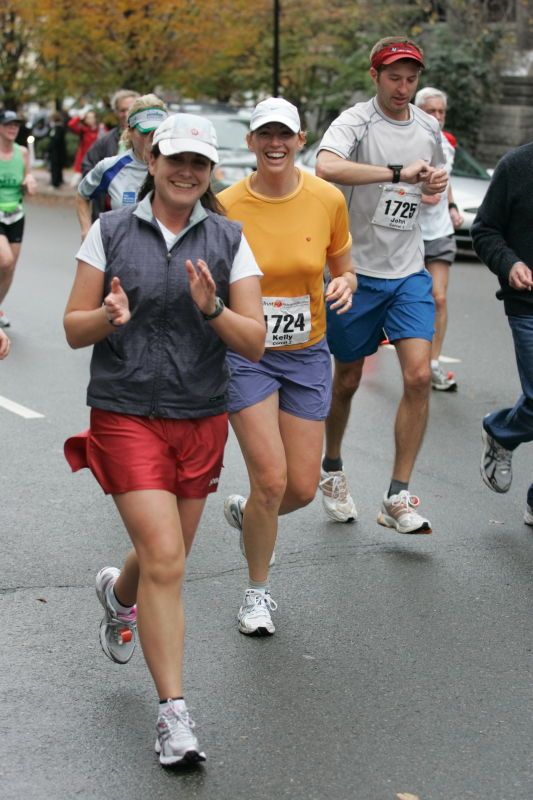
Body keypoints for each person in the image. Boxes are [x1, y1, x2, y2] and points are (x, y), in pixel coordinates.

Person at [63, 112, 265, 766]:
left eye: (199, 164)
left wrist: (211, 308)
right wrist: (107, 316)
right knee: (168, 558)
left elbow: (255, 341)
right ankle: (173, 716)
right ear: (151, 161)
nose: (185, 172)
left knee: (161, 559)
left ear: (211, 174)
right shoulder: (111, 231)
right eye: (174, 159)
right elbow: (73, 327)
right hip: (124, 411)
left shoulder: (232, 240)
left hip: (199, 415)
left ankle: (117, 597)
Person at [218, 97, 356, 636]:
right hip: (247, 354)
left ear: (301, 139)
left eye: (285, 134)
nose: (275, 143)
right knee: (271, 481)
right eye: (264, 135)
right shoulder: (227, 205)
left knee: (299, 486)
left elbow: (345, 267)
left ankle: (250, 515)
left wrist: (345, 282)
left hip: (305, 353)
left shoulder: (326, 198)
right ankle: (256, 594)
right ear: (251, 142)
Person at [315, 37, 448, 533]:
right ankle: (332, 469)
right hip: (357, 273)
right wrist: (395, 172)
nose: (404, 87)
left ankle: (397, 496)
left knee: (417, 376)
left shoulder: (429, 126)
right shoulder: (357, 120)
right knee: (346, 379)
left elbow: (433, 189)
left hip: (408, 270)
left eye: (411, 78)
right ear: (376, 76)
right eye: (394, 77)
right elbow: (325, 166)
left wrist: (431, 186)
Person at [472, 140, 533, 525]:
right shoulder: (516, 166)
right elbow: (485, 231)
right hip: (528, 304)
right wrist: (509, 264)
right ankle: (500, 430)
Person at [414, 87, 464, 391]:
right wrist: (420, 195)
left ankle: (431, 362)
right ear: (419, 112)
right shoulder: (407, 141)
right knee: (405, 296)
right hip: (409, 233)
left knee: (439, 297)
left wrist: (452, 205)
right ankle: (411, 355)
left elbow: (446, 180)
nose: (437, 117)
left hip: (440, 231)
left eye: (441, 111)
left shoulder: (448, 144)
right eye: (431, 111)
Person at [76, 94, 167, 239]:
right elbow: (82, 194)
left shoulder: (181, 168)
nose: (152, 139)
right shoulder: (111, 167)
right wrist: (86, 231)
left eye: (158, 132)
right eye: (145, 132)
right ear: (130, 131)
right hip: (120, 256)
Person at [0, 109, 37, 328]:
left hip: (16, 215)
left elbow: (27, 178)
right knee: (5, 260)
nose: (13, 128)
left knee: (9, 268)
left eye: (16, 125)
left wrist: (29, 182)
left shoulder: (22, 152)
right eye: (8, 124)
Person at [82, 89, 140, 221]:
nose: (126, 114)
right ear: (116, 113)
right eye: (122, 110)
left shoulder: (151, 141)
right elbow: (87, 167)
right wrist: (108, 183)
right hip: (108, 216)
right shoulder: (104, 142)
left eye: (130, 109)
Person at [67, 108, 105, 187]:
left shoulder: (101, 129)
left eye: (91, 117)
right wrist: (79, 117)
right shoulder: (83, 130)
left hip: (97, 159)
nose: (89, 120)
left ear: (95, 119)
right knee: (77, 183)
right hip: (83, 159)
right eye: (87, 118)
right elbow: (71, 124)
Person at [47, 112, 67, 188]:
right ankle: (57, 181)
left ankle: (55, 182)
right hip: (57, 152)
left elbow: (56, 140)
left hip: (56, 152)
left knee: (55, 167)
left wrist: (49, 148)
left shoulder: (58, 128)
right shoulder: (55, 128)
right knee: (57, 167)